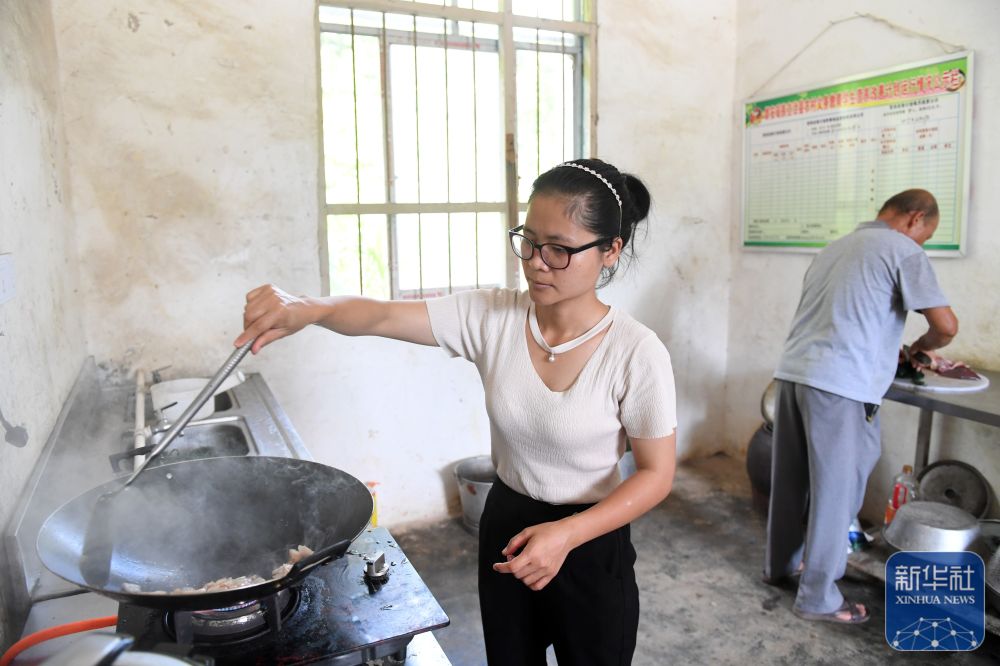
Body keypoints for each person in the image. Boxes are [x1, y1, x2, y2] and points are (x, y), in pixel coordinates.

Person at [236, 158, 678, 664]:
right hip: (508, 527)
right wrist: (307, 308)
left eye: (559, 249)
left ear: (609, 251)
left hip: (591, 537)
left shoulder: (636, 351)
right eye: (529, 241)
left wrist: (568, 534)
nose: (536, 262)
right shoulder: (494, 316)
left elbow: (656, 474)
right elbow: (380, 315)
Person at [764, 189, 958, 624]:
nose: (922, 244)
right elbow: (946, 327)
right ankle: (818, 598)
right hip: (840, 384)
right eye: (926, 236)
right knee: (837, 492)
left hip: (793, 374)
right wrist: (920, 347)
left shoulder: (834, 248)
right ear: (915, 218)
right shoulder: (902, 249)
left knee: (791, 482)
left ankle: (779, 567)